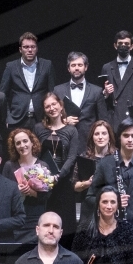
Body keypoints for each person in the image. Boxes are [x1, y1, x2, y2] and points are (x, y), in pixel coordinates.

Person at [89, 118, 133, 236]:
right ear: (119, 137)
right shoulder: (105, 163)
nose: (130, 140)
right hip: (108, 230)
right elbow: (90, 197)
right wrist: (111, 201)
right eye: (126, 135)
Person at [1, 128, 57, 244]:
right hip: (15, 218)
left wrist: (33, 193)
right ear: (14, 147)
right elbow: (2, 194)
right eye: (18, 143)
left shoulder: (42, 165)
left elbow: (48, 196)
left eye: (25, 141)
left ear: (32, 142)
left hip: (35, 218)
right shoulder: (9, 166)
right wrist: (17, 192)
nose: (22, 145)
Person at [35, 93, 81, 227]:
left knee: (65, 223)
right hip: (43, 183)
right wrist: (45, 178)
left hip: (64, 182)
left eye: (54, 104)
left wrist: (58, 176)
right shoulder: (38, 128)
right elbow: (35, 154)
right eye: (47, 106)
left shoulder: (71, 130)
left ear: (61, 106)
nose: (51, 108)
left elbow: (72, 157)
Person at [0, 32, 58, 133]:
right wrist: (8, 117)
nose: (30, 50)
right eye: (26, 47)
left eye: (32, 47)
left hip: (41, 118)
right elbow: (3, 95)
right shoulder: (11, 67)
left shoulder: (47, 65)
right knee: (19, 148)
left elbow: (53, 92)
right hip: (17, 119)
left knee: (41, 148)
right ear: (20, 49)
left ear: (37, 48)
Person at [69, 121, 116, 236]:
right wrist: (87, 183)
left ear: (109, 137)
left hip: (110, 207)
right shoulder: (83, 157)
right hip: (89, 207)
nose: (100, 137)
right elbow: (74, 186)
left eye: (104, 133)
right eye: (96, 134)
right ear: (92, 137)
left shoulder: (116, 158)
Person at [100, 30, 133, 129]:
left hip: (132, 118)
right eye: (120, 43)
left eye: (126, 44)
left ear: (132, 46)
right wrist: (106, 93)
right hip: (112, 118)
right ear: (115, 45)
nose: (123, 46)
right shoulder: (107, 67)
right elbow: (101, 97)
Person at [54, 51, 103, 141]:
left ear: (86, 67)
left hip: (89, 140)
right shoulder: (58, 90)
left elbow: (103, 120)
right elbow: (51, 117)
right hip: (64, 138)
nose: (76, 68)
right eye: (73, 65)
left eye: (80, 65)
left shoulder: (97, 91)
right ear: (68, 68)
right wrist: (63, 121)